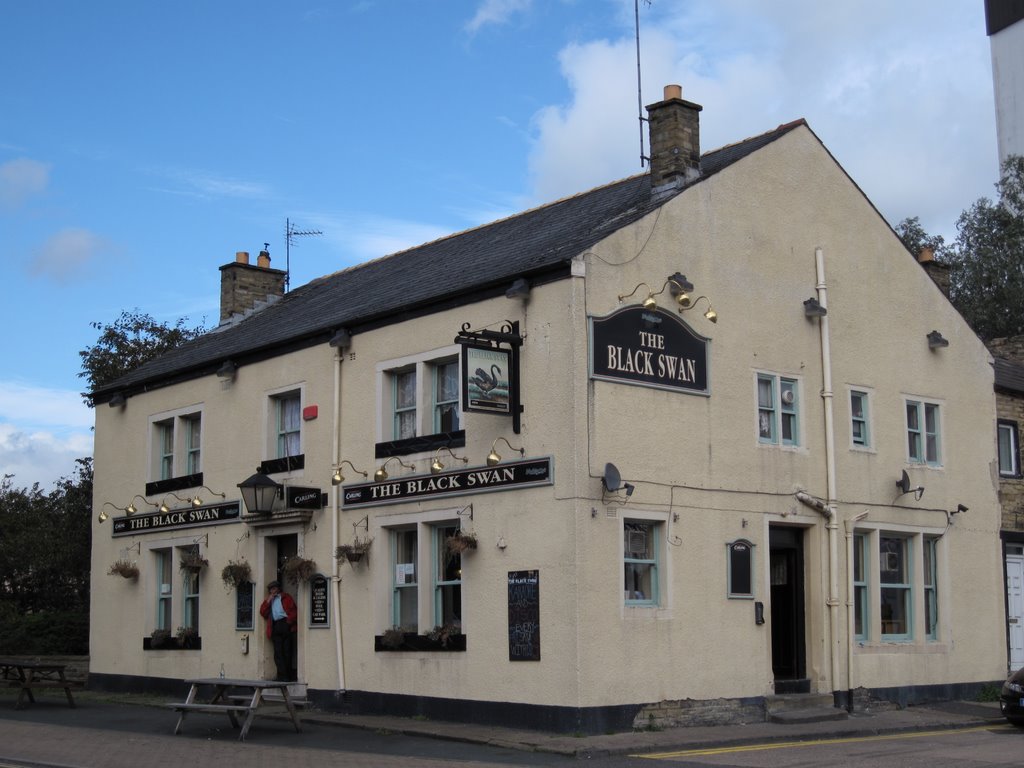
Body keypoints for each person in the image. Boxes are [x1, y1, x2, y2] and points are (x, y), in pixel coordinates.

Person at [259, 580, 297, 681]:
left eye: (274, 589)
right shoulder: (270, 600)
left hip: (285, 624)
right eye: (271, 590)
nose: (272, 591)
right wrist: (268, 601)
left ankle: (288, 676)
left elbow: (293, 611)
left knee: (287, 651)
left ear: (278, 588)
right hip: (275, 625)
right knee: (278, 653)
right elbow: (262, 612)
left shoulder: (286, 597)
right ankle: (281, 676)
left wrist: (288, 623)